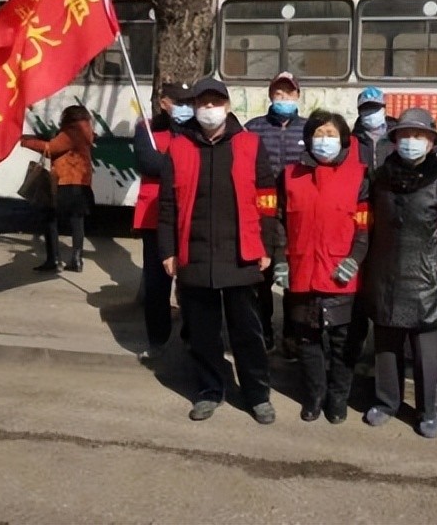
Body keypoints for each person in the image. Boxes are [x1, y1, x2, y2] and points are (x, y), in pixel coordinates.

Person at [157, 78, 278, 425]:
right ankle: (210, 390)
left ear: (227, 106)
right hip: (194, 255)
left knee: (247, 331)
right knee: (202, 332)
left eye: (215, 103)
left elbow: (268, 200)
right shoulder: (179, 148)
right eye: (203, 103)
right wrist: (167, 250)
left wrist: (267, 246)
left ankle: (257, 394)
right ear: (195, 107)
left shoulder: (250, 145)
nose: (209, 110)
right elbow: (167, 205)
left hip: (241, 254)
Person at [362, 108, 437, 439]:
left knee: (426, 351)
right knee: (386, 344)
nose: (411, 142)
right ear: (394, 141)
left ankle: (430, 409)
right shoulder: (380, 178)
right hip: (385, 272)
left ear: (433, 141)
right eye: (405, 135)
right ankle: (387, 401)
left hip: (427, 276)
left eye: (419, 136)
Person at [276, 110, 369, 423]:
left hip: (341, 275)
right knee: (307, 340)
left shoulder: (360, 176)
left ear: (343, 139)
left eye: (331, 134)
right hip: (302, 271)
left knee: (344, 342)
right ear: (308, 138)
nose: (324, 140)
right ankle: (314, 395)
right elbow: (278, 221)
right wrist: (279, 260)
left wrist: (354, 259)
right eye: (318, 134)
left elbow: (365, 227)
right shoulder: (289, 175)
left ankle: (338, 397)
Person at [244, 71, 307, 356]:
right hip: (263, 215)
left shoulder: (309, 129)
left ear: (297, 97)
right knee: (263, 277)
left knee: (296, 279)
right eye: (278, 94)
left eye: (289, 94)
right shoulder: (253, 128)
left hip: (299, 216)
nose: (283, 99)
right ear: (270, 95)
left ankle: (293, 337)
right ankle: (263, 333)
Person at [132, 82, 188, 362]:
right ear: (163, 102)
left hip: (190, 214)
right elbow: (147, 162)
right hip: (155, 216)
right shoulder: (147, 128)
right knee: (157, 284)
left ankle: (191, 338)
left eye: (187, 101)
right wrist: (182, 164)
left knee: (192, 282)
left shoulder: (194, 129)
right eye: (177, 101)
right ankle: (157, 340)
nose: (183, 106)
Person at [343, 86, 396, 371]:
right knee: (359, 292)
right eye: (365, 109)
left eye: (374, 108)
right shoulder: (350, 143)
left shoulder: (397, 140)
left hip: (390, 223)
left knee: (386, 288)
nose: (370, 114)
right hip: (360, 222)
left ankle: (386, 352)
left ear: (384, 109)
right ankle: (353, 349)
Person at [21, 105, 95, 272]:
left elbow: (51, 148)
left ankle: (53, 259)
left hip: (67, 182)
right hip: (81, 182)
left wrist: (25, 142)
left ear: (68, 117)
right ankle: (76, 259)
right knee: (77, 221)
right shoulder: (86, 130)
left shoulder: (72, 131)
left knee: (49, 217)